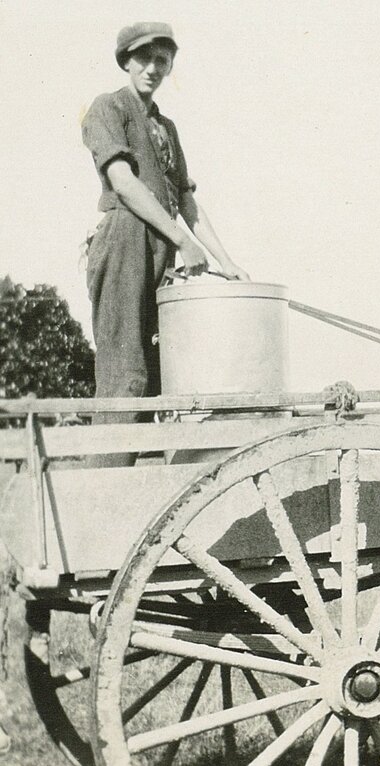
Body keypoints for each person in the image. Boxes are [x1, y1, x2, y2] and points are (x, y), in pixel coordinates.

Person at [81, 22, 248, 463]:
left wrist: (226, 262)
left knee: (160, 373)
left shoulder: (166, 127)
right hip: (125, 240)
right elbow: (123, 182)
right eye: (144, 58)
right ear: (126, 61)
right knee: (125, 373)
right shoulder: (108, 107)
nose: (153, 68)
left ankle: (145, 487)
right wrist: (181, 240)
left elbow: (186, 200)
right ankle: (99, 490)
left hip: (161, 248)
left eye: (162, 60)